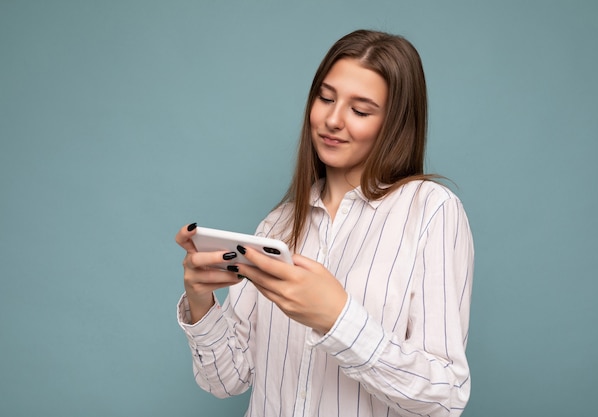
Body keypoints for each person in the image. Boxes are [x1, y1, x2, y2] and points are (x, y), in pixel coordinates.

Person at [175, 29, 474, 417]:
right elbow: (226, 380)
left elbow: (444, 396)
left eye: (360, 110)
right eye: (326, 98)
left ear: (395, 123)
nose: (332, 120)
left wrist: (337, 318)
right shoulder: (278, 225)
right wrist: (201, 302)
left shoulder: (431, 211)